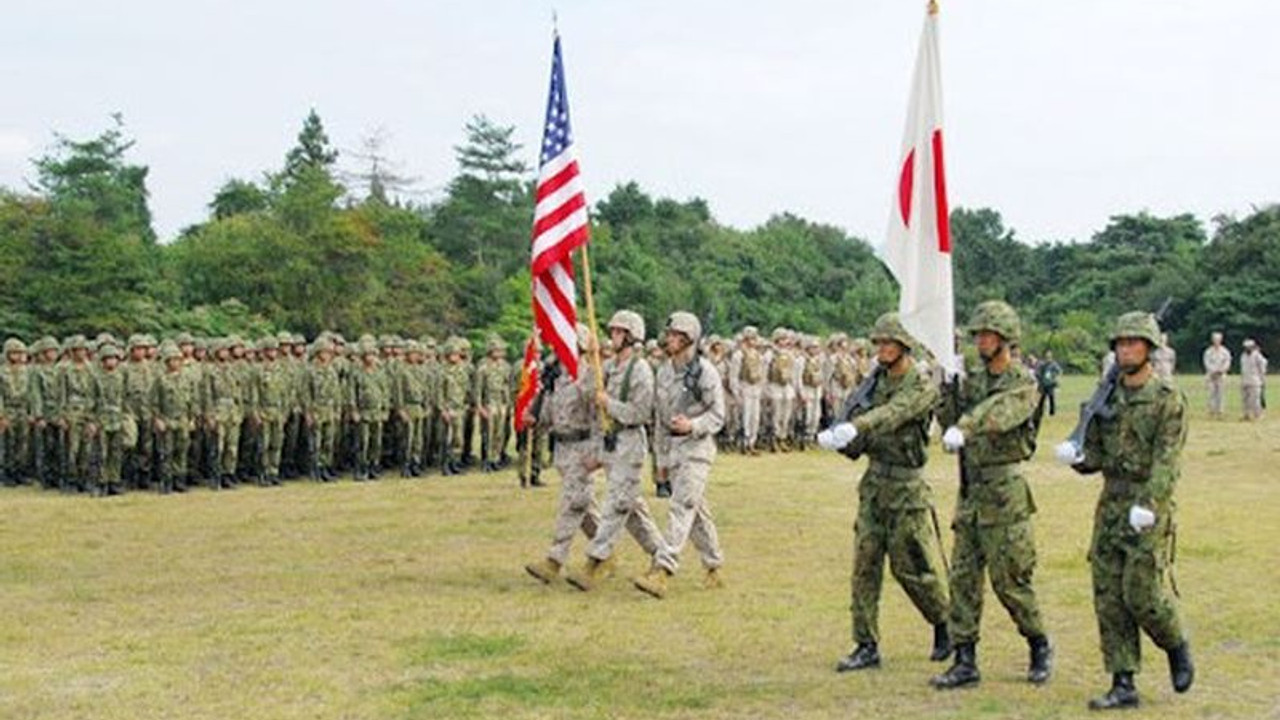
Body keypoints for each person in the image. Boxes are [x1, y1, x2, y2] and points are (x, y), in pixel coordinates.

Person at [1061, 311, 1194, 710]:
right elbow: (1097, 454)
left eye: (1134, 343)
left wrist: (1149, 505)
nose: (1125, 349)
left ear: (1150, 350)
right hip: (1111, 504)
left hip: (1146, 505)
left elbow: (1167, 462)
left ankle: (1175, 644)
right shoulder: (1107, 395)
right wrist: (1078, 456)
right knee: (1108, 595)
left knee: (1142, 594)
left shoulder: (1168, 400)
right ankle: (1123, 681)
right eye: (1120, 343)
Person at [818, 313, 951, 672]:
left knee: (912, 568)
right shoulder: (872, 382)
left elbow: (895, 414)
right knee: (865, 566)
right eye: (877, 343)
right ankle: (865, 643)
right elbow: (861, 424)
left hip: (907, 487)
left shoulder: (920, 385)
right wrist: (842, 437)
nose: (881, 349)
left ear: (904, 345)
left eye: (887, 343)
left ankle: (943, 621)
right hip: (875, 484)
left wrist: (855, 426)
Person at [933, 300, 1053, 689]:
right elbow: (950, 421)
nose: (981, 341)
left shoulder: (1022, 382)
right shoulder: (974, 380)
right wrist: (947, 387)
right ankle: (964, 658)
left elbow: (1000, 414)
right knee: (964, 578)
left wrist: (965, 426)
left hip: (1004, 494)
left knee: (1011, 582)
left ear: (1006, 339)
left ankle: (1038, 644)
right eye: (978, 335)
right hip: (971, 491)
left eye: (988, 335)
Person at [565, 311, 665, 592]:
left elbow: (640, 413)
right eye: (612, 331)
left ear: (631, 336)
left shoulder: (640, 370)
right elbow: (585, 391)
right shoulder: (609, 367)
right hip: (610, 443)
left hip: (630, 442)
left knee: (617, 503)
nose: (613, 336)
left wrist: (608, 403)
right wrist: (589, 358)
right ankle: (661, 554)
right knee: (631, 507)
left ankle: (596, 561)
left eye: (619, 332)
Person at [633, 312, 726, 599]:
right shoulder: (663, 371)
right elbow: (660, 420)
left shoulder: (705, 373)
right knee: (695, 510)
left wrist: (693, 425)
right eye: (669, 333)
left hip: (697, 448)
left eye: (675, 334)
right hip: (673, 450)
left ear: (688, 339)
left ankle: (664, 568)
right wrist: (659, 462)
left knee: (681, 505)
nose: (668, 338)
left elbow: (718, 415)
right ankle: (713, 564)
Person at [524, 324, 604, 584]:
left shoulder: (590, 376)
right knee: (584, 507)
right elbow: (551, 414)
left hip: (583, 448)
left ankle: (554, 560)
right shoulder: (556, 377)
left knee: (573, 504)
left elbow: (599, 419)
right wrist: (535, 418)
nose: (555, 349)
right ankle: (607, 550)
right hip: (562, 449)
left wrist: (597, 453)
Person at [1202, 332, 1231, 419]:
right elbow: (1206, 362)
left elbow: (1227, 362)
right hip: (1211, 376)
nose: (1216, 341)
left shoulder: (1225, 351)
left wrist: (1221, 370)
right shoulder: (1208, 351)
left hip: (1221, 376)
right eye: (1215, 339)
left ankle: (1220, 411)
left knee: (1221, 393)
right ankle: (1212, 410)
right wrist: (1213, 371)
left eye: (1218, 339)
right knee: (1211, 393)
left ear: (1221, 340)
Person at [1240, 338, 1268, 421]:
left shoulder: (1257, 356)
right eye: (1245, 347)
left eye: (1249, 347)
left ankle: (1257, 415)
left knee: (1255, 399)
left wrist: (1262, 378)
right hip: (1245, 380)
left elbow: (1263, 366)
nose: (1247, 348)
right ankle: (1246, 414)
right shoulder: (1243, 356)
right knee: (1245, 399)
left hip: (1255, 380)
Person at [1035, 350, 1063, 416]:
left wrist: (1056, 378)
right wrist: (1039, 379)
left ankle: (1052, 412)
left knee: (1051, 398)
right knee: (1042, 399)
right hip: (1043, 384)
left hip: (1050, 384)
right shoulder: (1042, 364)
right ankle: (1040, 412)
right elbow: (1038, 373)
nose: (1048, 358)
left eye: (1049, 356)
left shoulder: (1053, 364)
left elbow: (1059, 371)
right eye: (1047, 356)